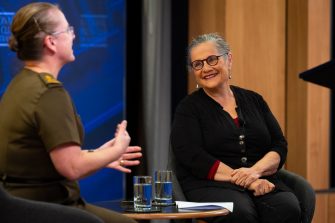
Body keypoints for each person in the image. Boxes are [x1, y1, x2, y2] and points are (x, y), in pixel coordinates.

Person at [0, 2, 141, 223]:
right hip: (46, 208)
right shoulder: (49, 93)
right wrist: (118, 149)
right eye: (68, 30)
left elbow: (51, 160)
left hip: (21, 206)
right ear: (51, 42)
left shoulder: (20, 84)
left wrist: (99, 156)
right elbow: (72, 168)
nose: (73, 36)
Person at [170, 33, 301, 223]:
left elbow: (279, 145)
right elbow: (191, 155)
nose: (206, 68)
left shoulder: (254, 100)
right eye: (198, 64)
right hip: (209, 184)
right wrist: (247, 180)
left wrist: (255, 172)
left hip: (261, 178)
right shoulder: (188, 108)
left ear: (228, 59)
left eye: (212, 59)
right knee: (240, 213)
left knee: (286, 208)